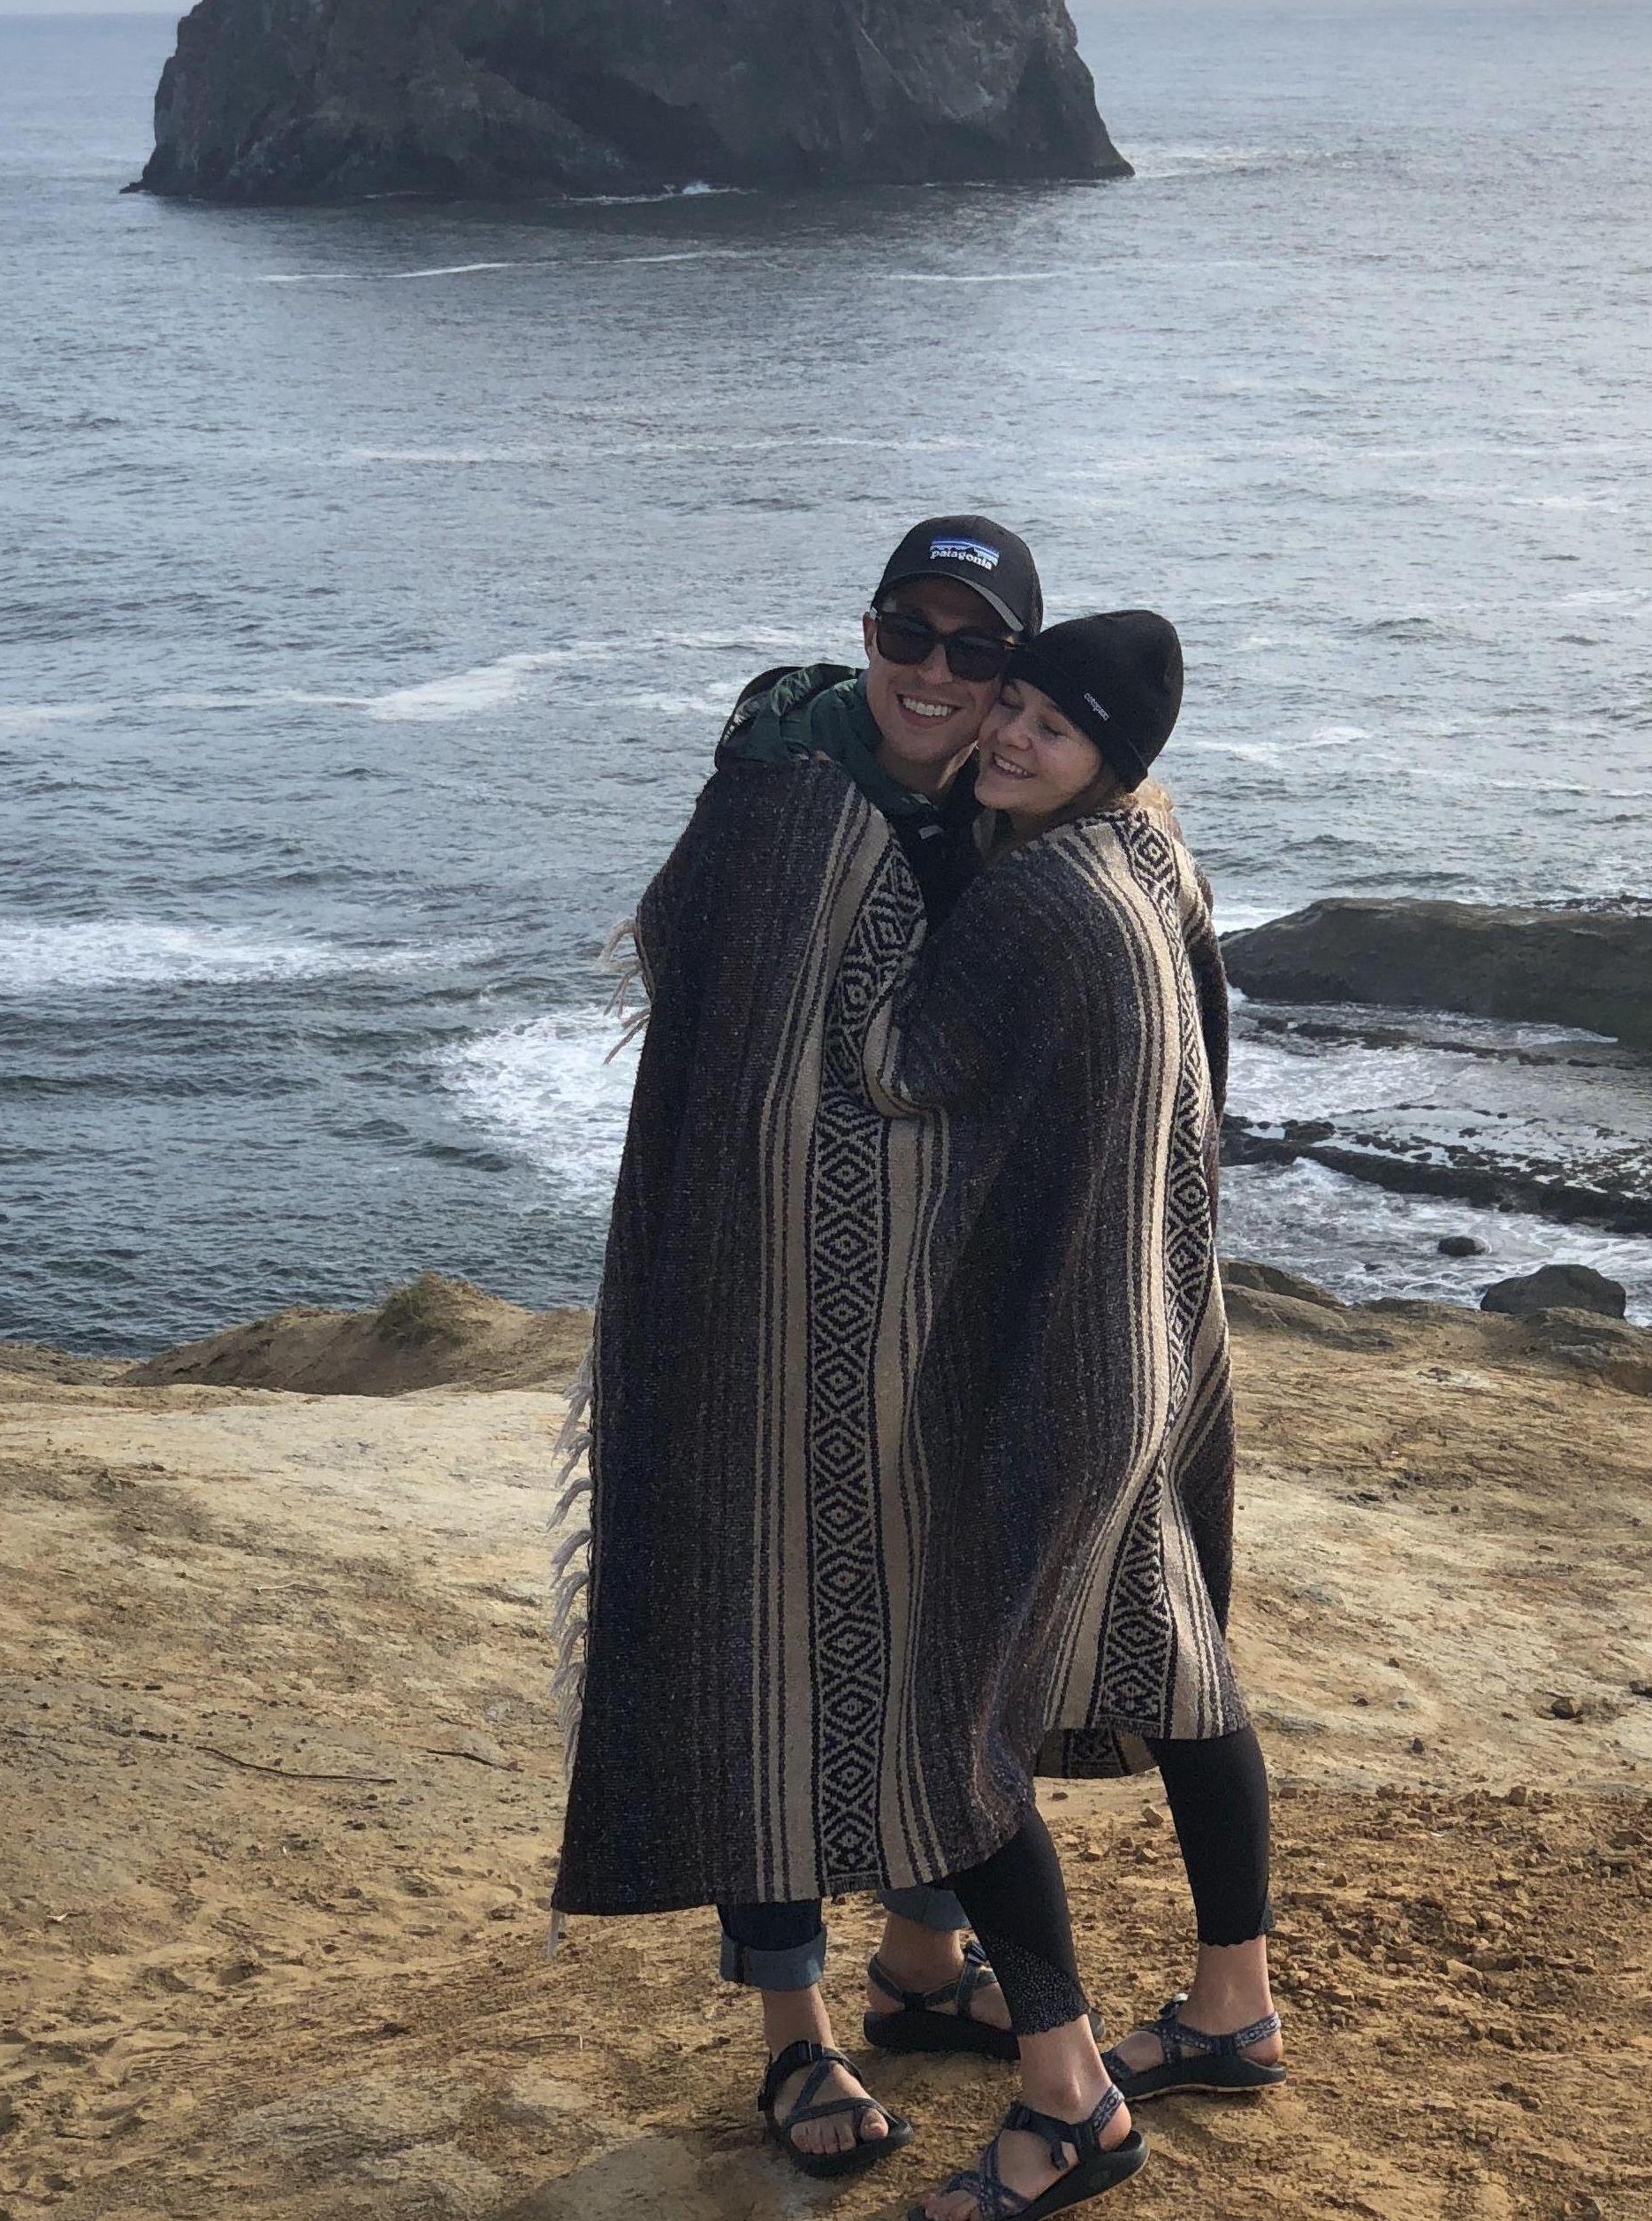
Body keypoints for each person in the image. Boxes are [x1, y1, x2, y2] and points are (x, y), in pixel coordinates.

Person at [549, 516, 1044, 2179]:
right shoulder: (782, 788)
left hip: (928, 1299)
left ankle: (920, 1957)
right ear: (871, 629)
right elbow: (726, 1015)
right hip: (748, 1294)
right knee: (762, 1631)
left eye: (978, 652)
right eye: (913, 630)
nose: (936, 671)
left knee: (933, 1624)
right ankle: (795, 2037)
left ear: (1012, 679)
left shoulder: (1010, 823)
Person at [855, 614, 1281, 2221]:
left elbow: (895, 1068)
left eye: (1050, 722)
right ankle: (1232, 2006)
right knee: (1176, 1660)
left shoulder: (1035, 895)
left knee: (943, 1725)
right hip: (1160, 1330)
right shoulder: (1147, 858)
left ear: (1118, 757)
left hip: (1059, 1358)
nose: (1010, 734)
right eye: (1009, 705)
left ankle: (1071, 2099)